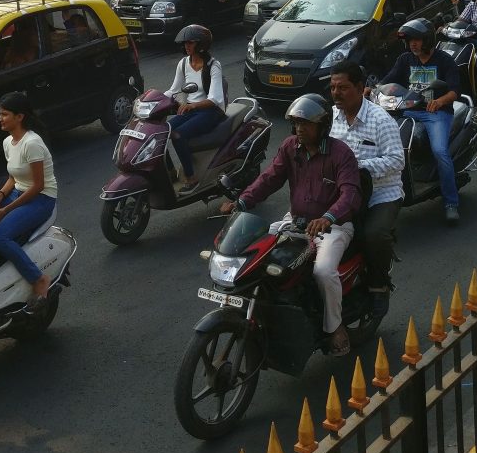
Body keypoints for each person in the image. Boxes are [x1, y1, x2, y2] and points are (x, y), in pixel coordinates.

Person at [221, 94, 361, 356]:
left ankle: (334, 327)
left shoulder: (341, 154)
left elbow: (350, 194)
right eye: (296, 123)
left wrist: (328, 217)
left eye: (305, 124)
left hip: (334, 228)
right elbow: (269, 179)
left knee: (322, 271)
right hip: (295, 222)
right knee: (254, 253)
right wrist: (242, 202)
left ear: (323, 126)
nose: (299, 129)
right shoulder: (289, 147)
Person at [329, 61, 404, 318]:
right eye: (333, 87)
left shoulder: (380, 120)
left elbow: (397, 160)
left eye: (343, 87)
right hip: (343, 193)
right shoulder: (331, 119)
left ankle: (378, 286)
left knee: (373, 234)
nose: (336, 93)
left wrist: (358, 166)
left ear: (360, 88)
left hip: (381, 193)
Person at [380, 18, 462, 224]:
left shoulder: (444, 60)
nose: (413, 44)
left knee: (440, 152)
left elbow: (455, 90)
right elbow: (390, 79)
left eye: (417, 40)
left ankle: (451, 203)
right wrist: (373, 88)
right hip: (407, 112)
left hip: (436, 114)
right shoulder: (405, 59)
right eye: (410, 41)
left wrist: (440, 101)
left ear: (427, 40)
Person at [0, 92, 56, 311]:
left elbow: (38, 185)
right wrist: (0, 195)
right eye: (0, 114)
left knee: (0, 237)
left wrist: (6, 209)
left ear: (20, 117)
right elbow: (13, 178)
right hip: (19, 194)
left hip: (41, 199)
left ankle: (38, 278)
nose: (0, 119)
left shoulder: (32, 143)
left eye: (4, 114)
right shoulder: (8, 142)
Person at [165, 25, 226, 194]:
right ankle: (170, 173)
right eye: (185, 42)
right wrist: (154, 99)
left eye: (190, 42)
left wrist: (192, 105)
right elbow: (174, 89)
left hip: (210, 111)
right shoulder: (183, 63)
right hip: (191, 109)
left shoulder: (213, 65)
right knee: (163, 131)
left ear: (201, 44)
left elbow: (214, 99)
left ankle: (191, 177)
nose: (187, 46)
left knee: (178, 135)